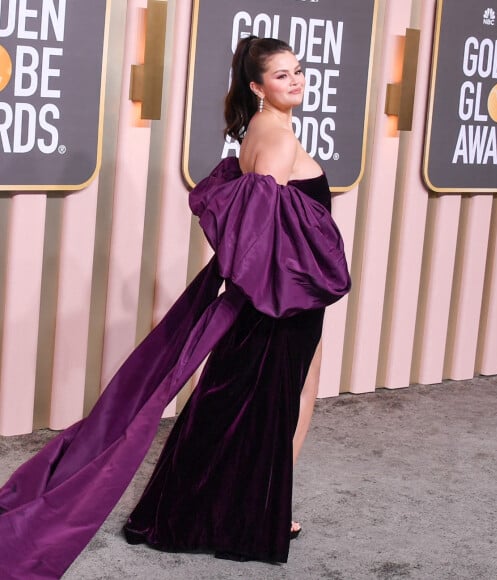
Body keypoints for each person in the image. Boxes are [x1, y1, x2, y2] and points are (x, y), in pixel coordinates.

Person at [0, 36, 350, 578]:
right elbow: (261, 232)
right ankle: (256, 516)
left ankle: (254, 508)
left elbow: (257, 224)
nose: (297, 81)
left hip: (286, 293)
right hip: (285, 298)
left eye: (298, 71)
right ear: (258, 87)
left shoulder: (260, 130)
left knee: (260, 398)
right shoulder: (276, 139)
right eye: (282, 75)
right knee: (277, 400)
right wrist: (274, 294)